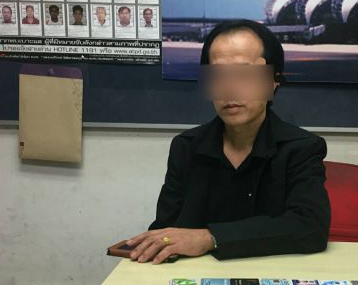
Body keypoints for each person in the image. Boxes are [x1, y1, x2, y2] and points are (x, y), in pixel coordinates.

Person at [126, 19, 331, 263]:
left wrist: (211, 238)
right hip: (195, 277)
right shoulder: (186, 147)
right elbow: (167, 231)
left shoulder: (301, 148)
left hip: (273, 276)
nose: (230, 88)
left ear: (273, 81)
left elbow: (310, 228)